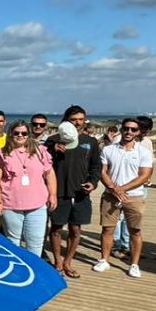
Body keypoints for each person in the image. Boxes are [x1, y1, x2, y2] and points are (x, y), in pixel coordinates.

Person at [94, 118, 154, 278]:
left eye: (133, 130)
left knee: (135, 231)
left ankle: (134, 264)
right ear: (121, 129)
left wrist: (122, 189)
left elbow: (144, 176)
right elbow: (102, 171)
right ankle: (104, 260)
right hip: (110, 195)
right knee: (107, 229)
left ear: (138, 132)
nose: (129, 132)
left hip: (134, 196)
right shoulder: (108, 150)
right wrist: (114, 189)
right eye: (126, 128)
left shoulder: (144, 152)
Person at [47, 107, 102, 277]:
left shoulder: (90, 141)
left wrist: (93, 183)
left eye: (81, 119)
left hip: (80, 192)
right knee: (56, 228)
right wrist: (54, 150)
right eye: (73, 119)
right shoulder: (52, 140)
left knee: (76, 230)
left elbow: (96, 166)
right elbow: (43, 165)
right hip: (59, 192)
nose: (77, 122)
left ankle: (68, 262)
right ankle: (57, 262)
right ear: (66, 120)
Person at [0, 121, 56, 254]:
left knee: (36, 242)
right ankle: (18, 272)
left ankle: (34, 271)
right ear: (10, 134)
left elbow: (49, 173)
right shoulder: (2, 153)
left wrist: (53, 194)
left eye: (24, 133)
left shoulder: (40, 151)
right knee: (13, 242)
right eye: (16, 133)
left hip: (37, 205)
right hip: (10, 205)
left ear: (29, 134)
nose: (20, 135)